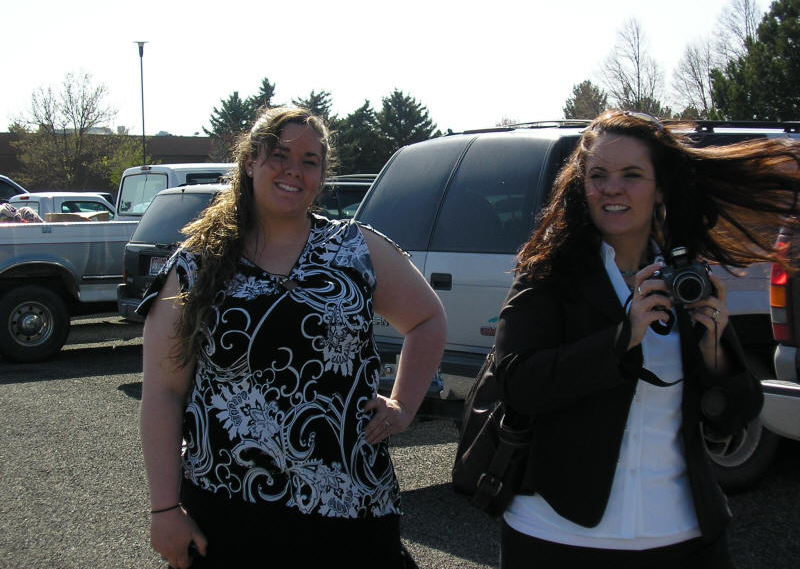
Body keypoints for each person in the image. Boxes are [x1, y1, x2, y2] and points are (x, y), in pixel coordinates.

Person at [139, 107, 446, 569]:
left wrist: (403, 404)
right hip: (229, 508)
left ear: (322, 174)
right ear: (250, 162)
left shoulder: (355, 249)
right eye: (279, 155)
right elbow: (163, 392)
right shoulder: (197, 263)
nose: (293, 170)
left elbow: (428, 319)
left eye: (309, 161)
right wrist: (164, 509)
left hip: (351, 505)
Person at [494, 110, 800, 568]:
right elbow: (518, 386)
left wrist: (715, 350)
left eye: (632, 175)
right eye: (598, 175)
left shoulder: (685, 278)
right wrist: (622, 338)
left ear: (660, 188)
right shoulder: (549, 275)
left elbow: (733, 416)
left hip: (680, 535)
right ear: (581, 185)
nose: (612, 188)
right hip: (556, 533)